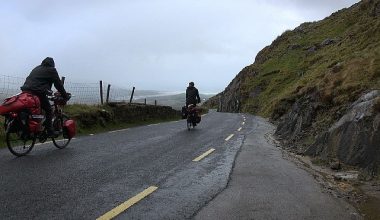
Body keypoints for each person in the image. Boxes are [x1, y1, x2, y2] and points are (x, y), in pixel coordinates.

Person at [21, 57, 69, 137]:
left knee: (34, 110)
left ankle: (34, 129)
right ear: (52, 64)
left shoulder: (37, 68)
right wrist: (65, 96)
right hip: (37, 92)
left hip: (25, 91)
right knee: (49, 110)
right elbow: (58, 85)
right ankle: (50, 132)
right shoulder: (52, 70)